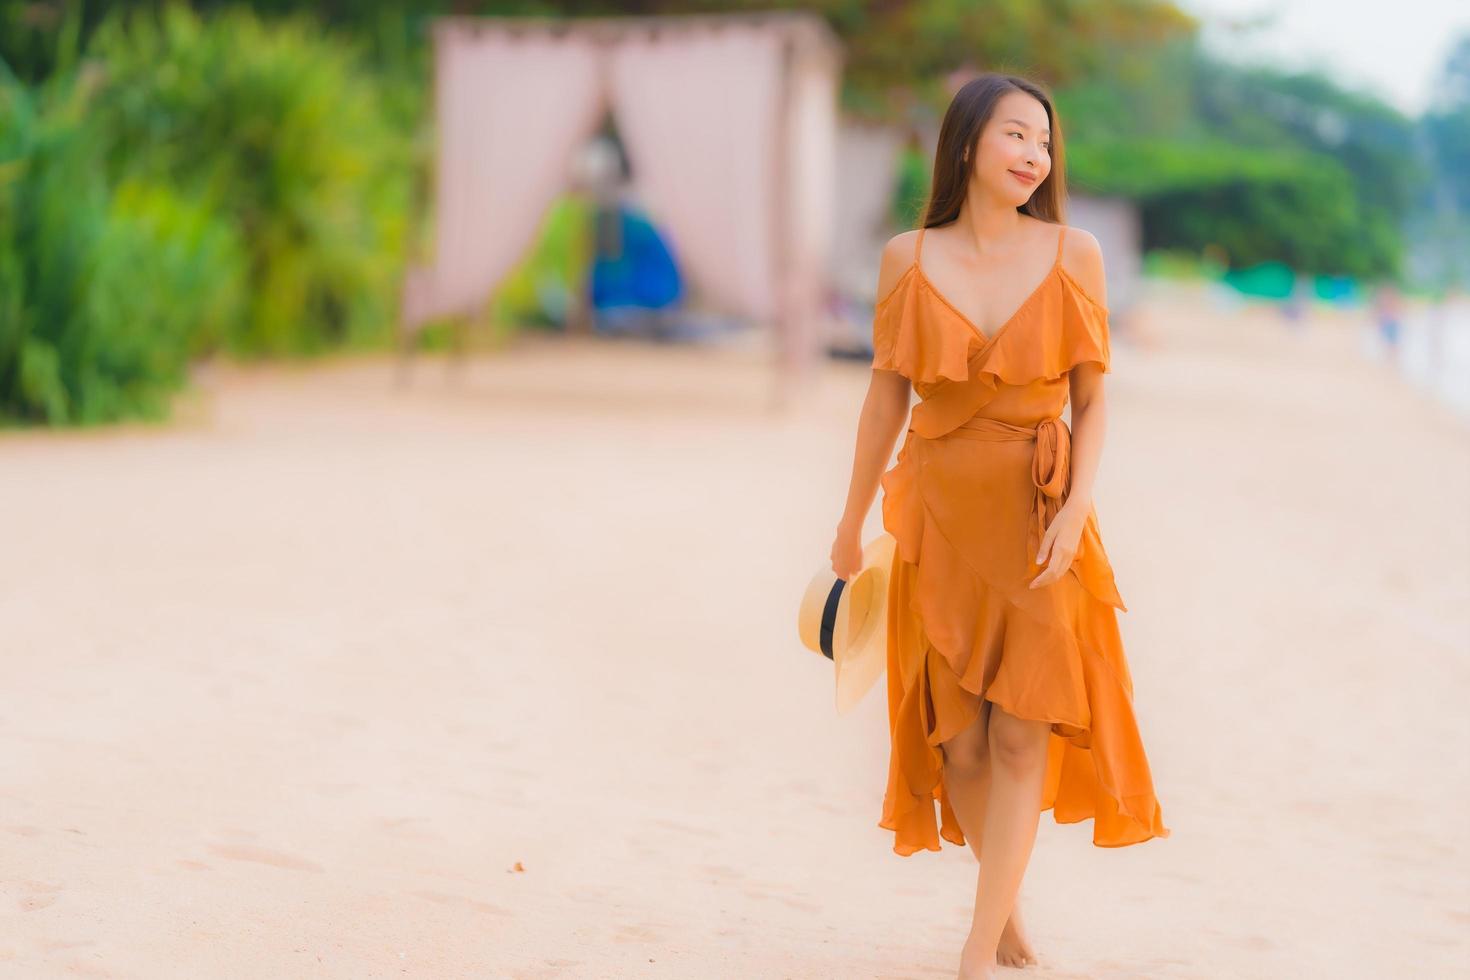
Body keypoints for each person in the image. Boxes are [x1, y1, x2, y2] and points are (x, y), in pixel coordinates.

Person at [829, 74, 1169, 979]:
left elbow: (1094, 402)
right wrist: (849, 520)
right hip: (937, 511)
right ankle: (1006, 913)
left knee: (1023, 732)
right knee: (964, 738)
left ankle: (977, 951)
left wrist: (1080, 507)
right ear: (968, 142)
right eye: (1017, 135)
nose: (1034, 156)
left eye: (1046, 143)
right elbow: (882, 399)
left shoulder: (1075, 251)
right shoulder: (908, 256)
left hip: (1037, 512)